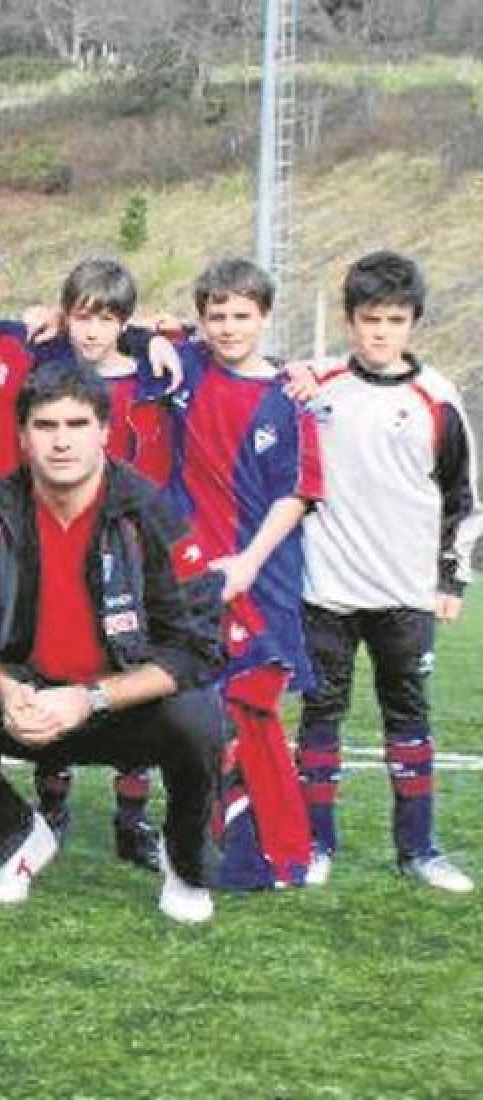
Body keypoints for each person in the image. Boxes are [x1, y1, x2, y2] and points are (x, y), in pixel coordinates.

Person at [0, 360, 226, 923]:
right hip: (27, 705)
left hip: (121, 709)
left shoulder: (148, 512)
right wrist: (5, 690)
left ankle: (186, 863)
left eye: (77, 425)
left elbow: (197, 647)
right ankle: (13, 838)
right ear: (23, 436)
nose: (62, 441)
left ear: (104, 430)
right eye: (46, 426)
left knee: (201, 718)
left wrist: (89, 698)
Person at [295, 251, 476, 893]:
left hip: (404, 594)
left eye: (396, 319)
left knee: (409, 717)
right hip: (326, 590)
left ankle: (419, 851)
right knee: (321, 717)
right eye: (370, 318)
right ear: (350, 321)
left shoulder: (438, 399)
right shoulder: (314, 384)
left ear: (414, 324)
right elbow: (238, 369)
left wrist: (451, 579)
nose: (382, 332)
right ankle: (314, 845)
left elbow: (463, 498)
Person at [167, 258, 322, 891]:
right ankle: (228, 844)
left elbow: (297, 494)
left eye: (241, 316)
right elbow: (113, 330)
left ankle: (283, 851)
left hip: (264, 577)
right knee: (208, 711)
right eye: (216, 316)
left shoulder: (290, 396)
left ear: (264, 317)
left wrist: (248, 565)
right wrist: (155, 332)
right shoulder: (188, 367)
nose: (228, 328)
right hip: (197, 578)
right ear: (201, 320)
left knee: (255, 709)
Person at [26, 258, 172, 871]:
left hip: (133, 552)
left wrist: (156, 335)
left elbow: (215, 336)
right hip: (59, 541)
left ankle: (131, 815)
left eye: (106, 319)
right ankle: (52, 805)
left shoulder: (156, 378)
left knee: (129, 672)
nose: (91, 330)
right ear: (66, 317)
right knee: (57, 665)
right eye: (81, 317)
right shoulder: (45, 371)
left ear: (124, 323)